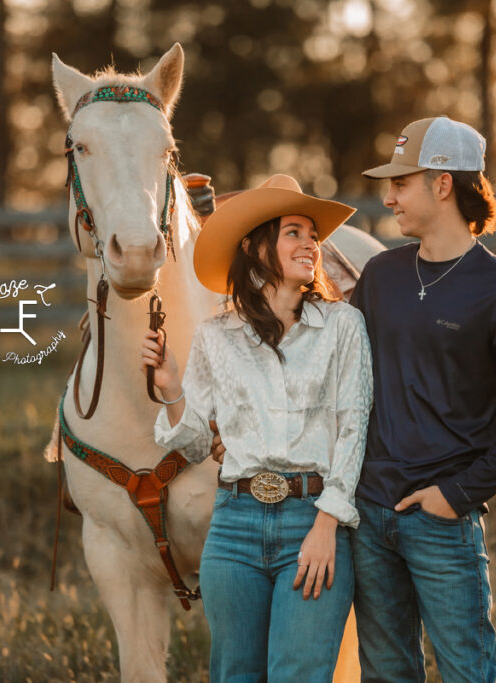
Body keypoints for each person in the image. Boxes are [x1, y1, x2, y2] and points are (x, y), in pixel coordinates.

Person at [348, 116, 496, 682]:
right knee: (387, 675)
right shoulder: (380, 274)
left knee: (467, 673)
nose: (388, 197)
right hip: (369, 515)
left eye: (401, 183)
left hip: (442, 524)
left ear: (443, 184)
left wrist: (456, 494)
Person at [141, 173, 373, 683]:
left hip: (310, 522)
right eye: (294, 232)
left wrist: (327, 525)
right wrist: (172, 388)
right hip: (233, 528)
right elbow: (197, 441)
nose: (310, 242)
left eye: (313, 234)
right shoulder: (215, 336)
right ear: (255, 246)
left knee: (298, 674)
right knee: (234, 674)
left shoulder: (342, 327)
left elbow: (354, 431)